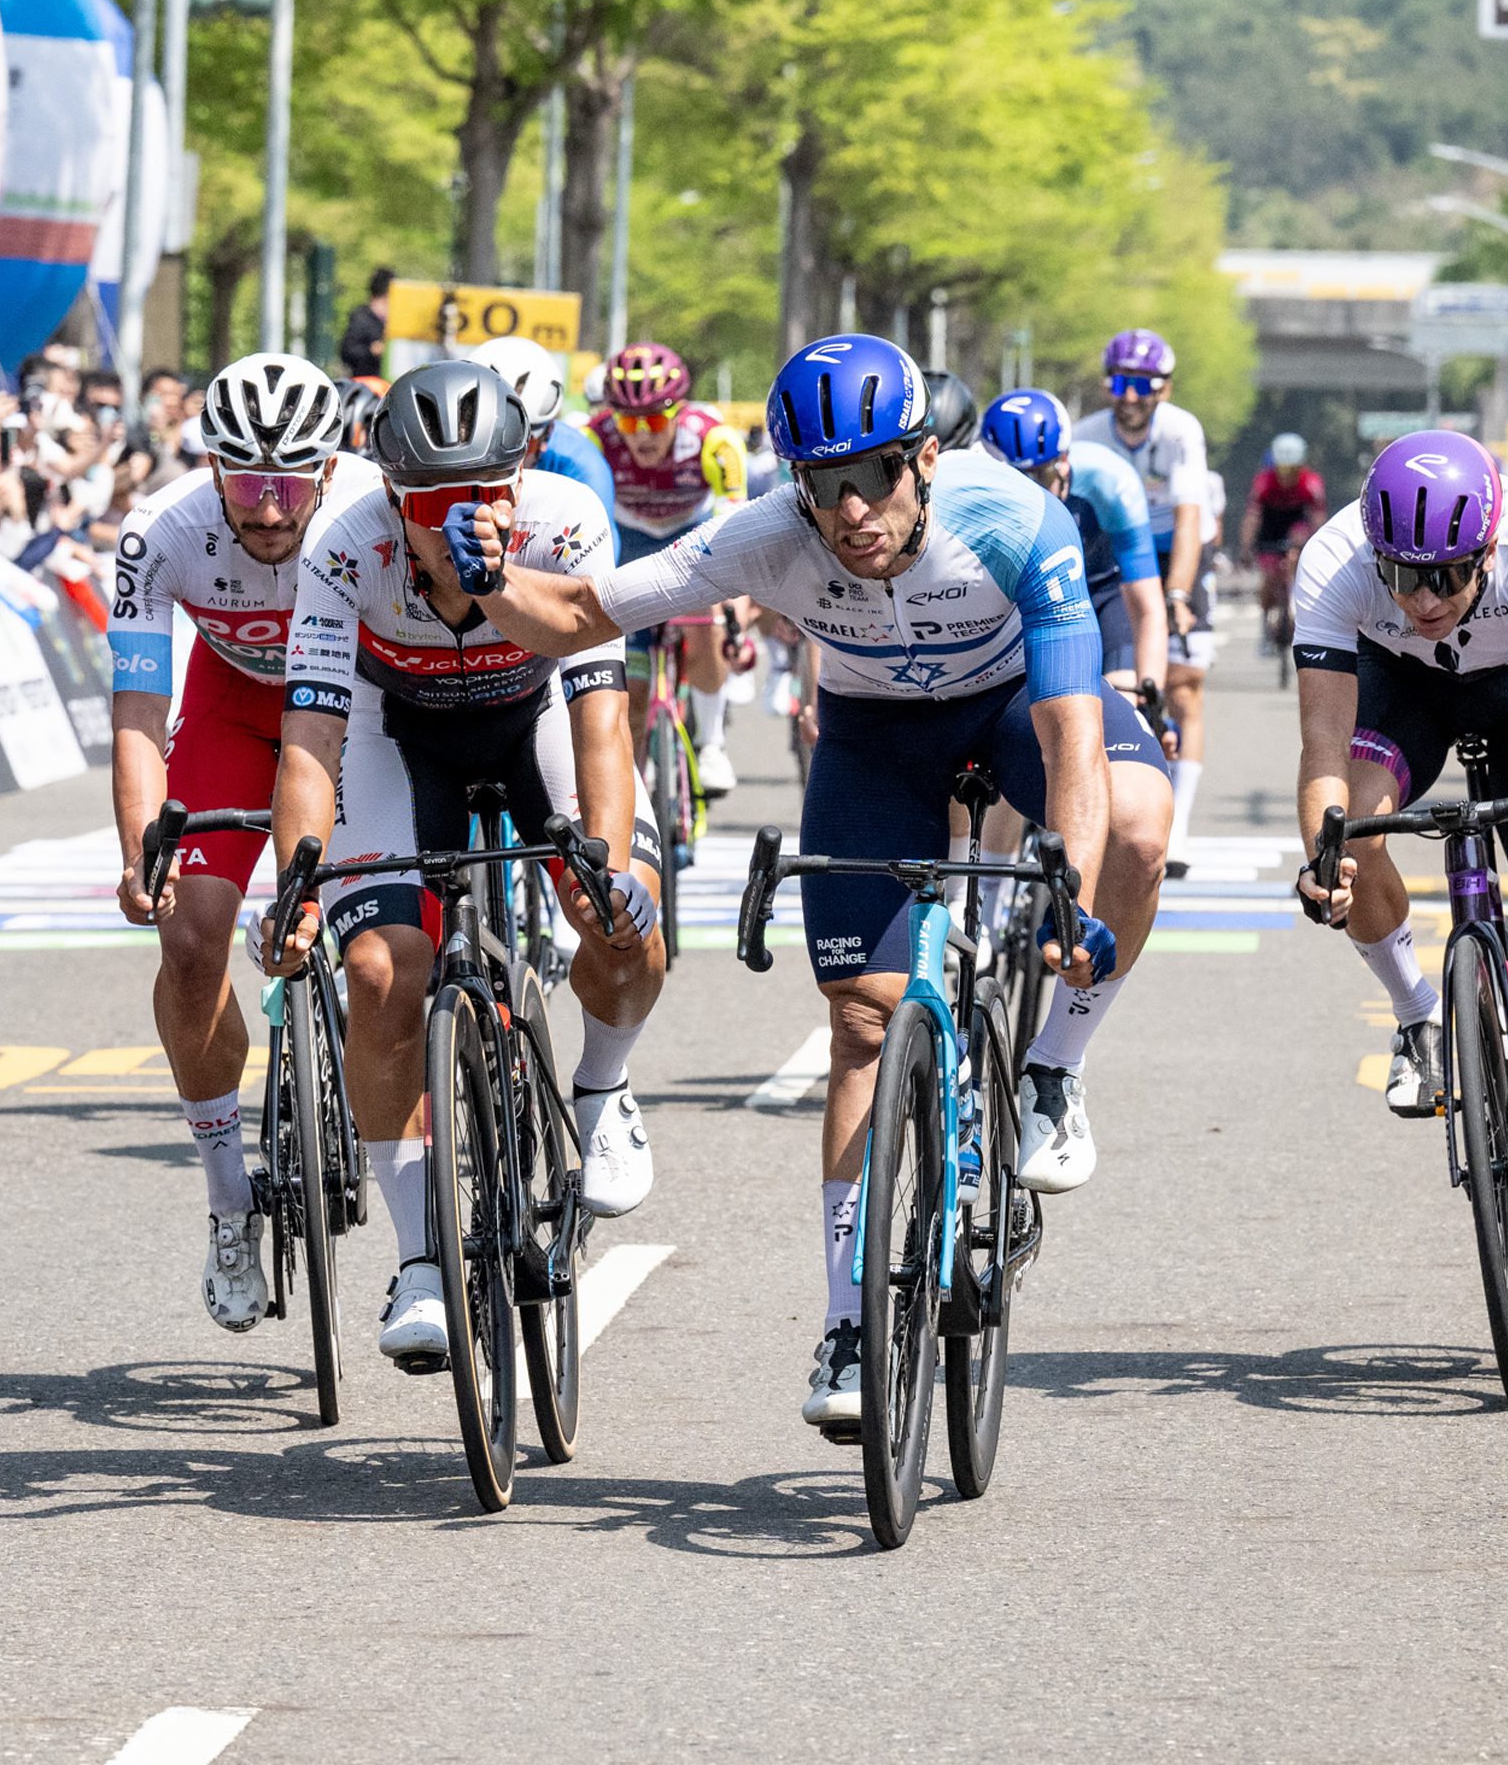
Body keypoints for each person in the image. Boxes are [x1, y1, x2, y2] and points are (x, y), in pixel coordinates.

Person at [457, 333, 1173, 1433]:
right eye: (823, 483)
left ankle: (1052, 1067)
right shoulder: (768, 535)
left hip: (1012, 704)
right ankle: (848, 1321)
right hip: (873, 738)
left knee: (1131, 825)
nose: (850, 511)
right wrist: (488, 574)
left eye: (874, 474)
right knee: (862, 1023)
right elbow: (580, 616)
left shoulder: (1018, 519)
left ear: (923, 458)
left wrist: (1068, 895)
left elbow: (1073, 733)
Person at [262, 359, 667, 1369]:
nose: (463, 520)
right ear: (393, 496)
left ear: (519, 480)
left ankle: (603, 1085)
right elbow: (310, 735)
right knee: (379, 970)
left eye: (485, 495)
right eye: (436, 502)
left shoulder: (565, 520)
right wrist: (297, 884)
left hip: (530, 715)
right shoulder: (343, 543)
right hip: (394, 733)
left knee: (627, 920)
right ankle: (420, 1261)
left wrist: (606, 868)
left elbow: (602, 720)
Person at [1288, 430, 1508, 1301]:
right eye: (1404, 576)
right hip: (1401, 690)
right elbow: (1323, 744)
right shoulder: (1335, 561)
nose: (1424, 598)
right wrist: (1324, 855)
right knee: (1356, 830)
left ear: (1488, 546)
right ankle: (1418, 1013)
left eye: (1446, 575)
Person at [111, 353, 381, 1331]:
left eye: (289, 483)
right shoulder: (161, 532)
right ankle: (229, 1196)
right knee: (188, 941)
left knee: (377, 924)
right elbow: (140, 707)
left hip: (356, 714)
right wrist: (143, 843)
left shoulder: (368, 518)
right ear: (212, 466)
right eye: (246, 481)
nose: (268, 510)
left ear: (331, 466)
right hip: (227, 710)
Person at [1076, 327, 1216, 870]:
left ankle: (1175, 824)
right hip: (1110, 554)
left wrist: (1177, 593)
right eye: (1119, 382)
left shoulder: (1181, 432)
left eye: (1142, 384)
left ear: (1165, 388)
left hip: (1169, 551)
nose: (1129, 395)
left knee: (1182, 687)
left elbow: (1188, 519)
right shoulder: (1087, 433)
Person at [586, 341, 750, 792]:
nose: (641, 434)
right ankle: (638, 786)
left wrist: (730, 598)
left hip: (692, 532)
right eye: (629, 421)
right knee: (632, 692)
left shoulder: (713, 438)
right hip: (629, 539)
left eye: (656, 420)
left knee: (706, 623)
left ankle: (712, 744)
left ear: (678, 412)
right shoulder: (594, 438)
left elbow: (735, 517)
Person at [980, 388, 1166, 695]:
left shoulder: (1111, 482)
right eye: (1012, 479)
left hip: (1100, 595)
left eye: (1040, 476)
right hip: (1023, 605)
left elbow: (1147, 604)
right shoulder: (974, 492)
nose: (1029, 493)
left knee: (1126, 699)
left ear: (1064, 462)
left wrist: (1151, 694)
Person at [470, 334, 615, 520]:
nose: (501, 461)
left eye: (522, 446)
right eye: (484, 443)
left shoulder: (584, 469)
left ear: (547, 436)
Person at [1243, 431, 1328, 658]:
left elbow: (1317, 517)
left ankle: (1293, 609)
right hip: (1271, 526)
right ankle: (1265, 630)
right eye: (1282, 469)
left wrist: (1319, 546)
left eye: (1292, 470)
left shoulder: (1311, 482)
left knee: (1295, 552)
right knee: (1269, 577)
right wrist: (1246, 546)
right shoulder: (1264, 482)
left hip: (1296, 523)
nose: (1287, 475)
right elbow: (1253, 516)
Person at [338, 268, 393, 380]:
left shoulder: (393, 321)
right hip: (367, 383)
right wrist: (371, 350)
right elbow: (347, 351)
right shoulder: (361, 318)